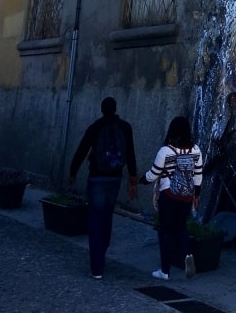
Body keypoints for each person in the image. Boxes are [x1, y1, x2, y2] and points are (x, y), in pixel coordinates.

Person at [68, 96, 138, 279]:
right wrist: (133, 179)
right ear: (115, 109)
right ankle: (103, 252)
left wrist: (72, 171)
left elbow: (82, 150)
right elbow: (130, 153)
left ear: (101, 109)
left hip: (97, 177)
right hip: (115, 178)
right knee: (107, 217)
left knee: (95, 220)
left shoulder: (95, 127)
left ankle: (97, 266)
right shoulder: (125, 127)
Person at [139, 115, 203, 280]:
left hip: (168, 196)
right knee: (181, 227)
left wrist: (140, 180)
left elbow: (153, 174)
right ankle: (188, 254)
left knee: (165, 232)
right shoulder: (195, 150)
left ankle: (165, 271)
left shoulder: (166, 151)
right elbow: (198, 175)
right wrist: (197, 195)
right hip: (186, 197)